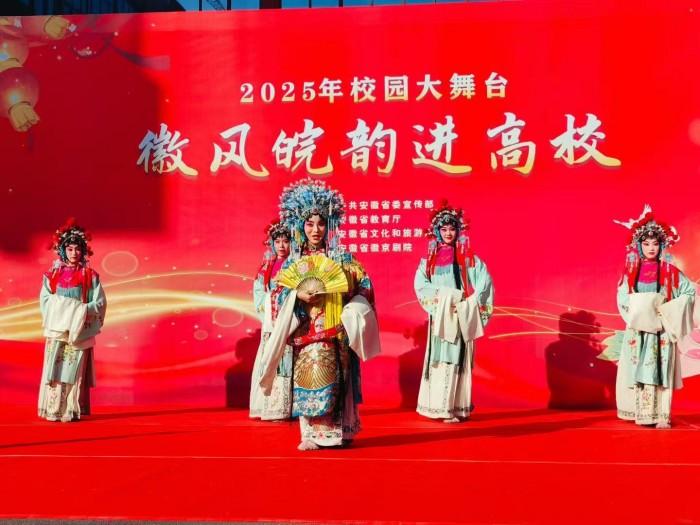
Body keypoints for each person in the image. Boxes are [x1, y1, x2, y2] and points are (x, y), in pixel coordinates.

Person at [260, 179, 380, 450]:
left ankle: (339, 432)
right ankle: (310, 435)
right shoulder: (293, 261)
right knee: (307, 375)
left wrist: (348, 296)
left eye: (321, 223)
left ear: (330, 225)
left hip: (335, 330)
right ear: (300, 226)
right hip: (305, 329)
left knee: (335, 378)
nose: (316, 230)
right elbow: (277, 293)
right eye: (310, 224)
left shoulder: (342, 258)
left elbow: (366, 287)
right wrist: (297, 296)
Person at [614, 205, 695, 428]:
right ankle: (641, 413)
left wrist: (666, 312)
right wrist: (639, 314)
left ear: (662, 246)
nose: (651, 248)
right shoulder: (631, 272)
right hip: (639, 330)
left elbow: (688, 293)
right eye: (646, 243)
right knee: (639, 368)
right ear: (639, 246)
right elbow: (623, 298)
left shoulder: (670, 271)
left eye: (655, 243)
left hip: (661, 330)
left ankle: (661, 415)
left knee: (660, 368)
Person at [414, 200, 493, 423]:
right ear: (436, 232)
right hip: (441, 316)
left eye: (452, 229)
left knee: (457, 358)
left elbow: (484, 282)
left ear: (458, 231)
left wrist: (468, 303)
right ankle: (439, 407)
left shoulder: (467, 258)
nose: (448, 233)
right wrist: (443, 299)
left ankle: (456, 407)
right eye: (444, 229)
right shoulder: (428, 261)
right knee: (440, 358)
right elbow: (421, 285)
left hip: (460, 315)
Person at [39, 218, 106, 422]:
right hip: (58, 331)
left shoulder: (90, 276)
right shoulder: (52, 275)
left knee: (73, 370)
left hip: (78, 331)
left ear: (83, 250)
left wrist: (78, 312)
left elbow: (99, 303)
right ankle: (53, 409)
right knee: (55, 369)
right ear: (62, 250)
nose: (74, 253)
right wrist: (65, 311)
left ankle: (70, 410)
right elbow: (45, 300)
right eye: (69, 249)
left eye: (78, 248)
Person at [249, 218, 293, 421]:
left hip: (291, 321)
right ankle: (268, 406)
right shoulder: (266, 267)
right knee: (270, 359)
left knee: (288, 361)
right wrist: (270, 307)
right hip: (271, 322)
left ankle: (288, 408)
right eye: (277, 241)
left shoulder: (297, 265)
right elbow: (259, 293)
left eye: (286, 241)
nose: (281, 246)